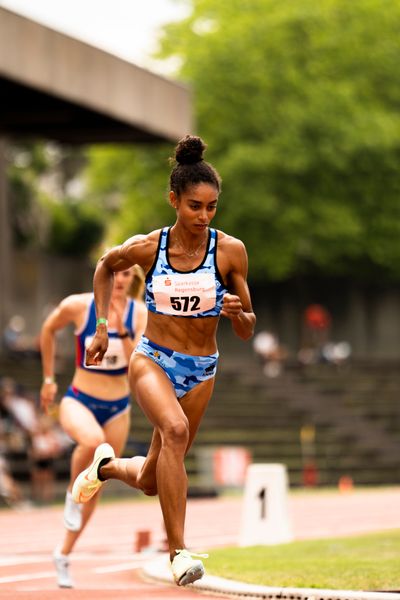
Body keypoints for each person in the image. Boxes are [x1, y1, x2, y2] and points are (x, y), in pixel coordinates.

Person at [71, 135, 256, 586]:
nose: (204, 216)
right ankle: (179, 553)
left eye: (212, 207)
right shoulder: (149, 248)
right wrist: (100, 326)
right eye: (195, 205)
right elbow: (104, 265)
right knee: (173, 433)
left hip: (202, 369)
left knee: (154, 478)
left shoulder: (230, 251)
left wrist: (238, 313)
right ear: (173, 199)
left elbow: (248, 326)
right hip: (153, 358)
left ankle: (106, 467)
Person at [39, 264, 147, 588]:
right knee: (92, 441)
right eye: (115, 274)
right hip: (79, 399)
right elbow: (47, 329)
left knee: (98, 480)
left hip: (117, 407)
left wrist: (122, 329)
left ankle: (64, 553)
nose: (120, 280)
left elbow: (138, 360)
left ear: (132, 280)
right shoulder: (79, 306)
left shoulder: (138, 313)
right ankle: (72, 497)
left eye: (127, 275)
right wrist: (48, 379)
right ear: (104, 276)